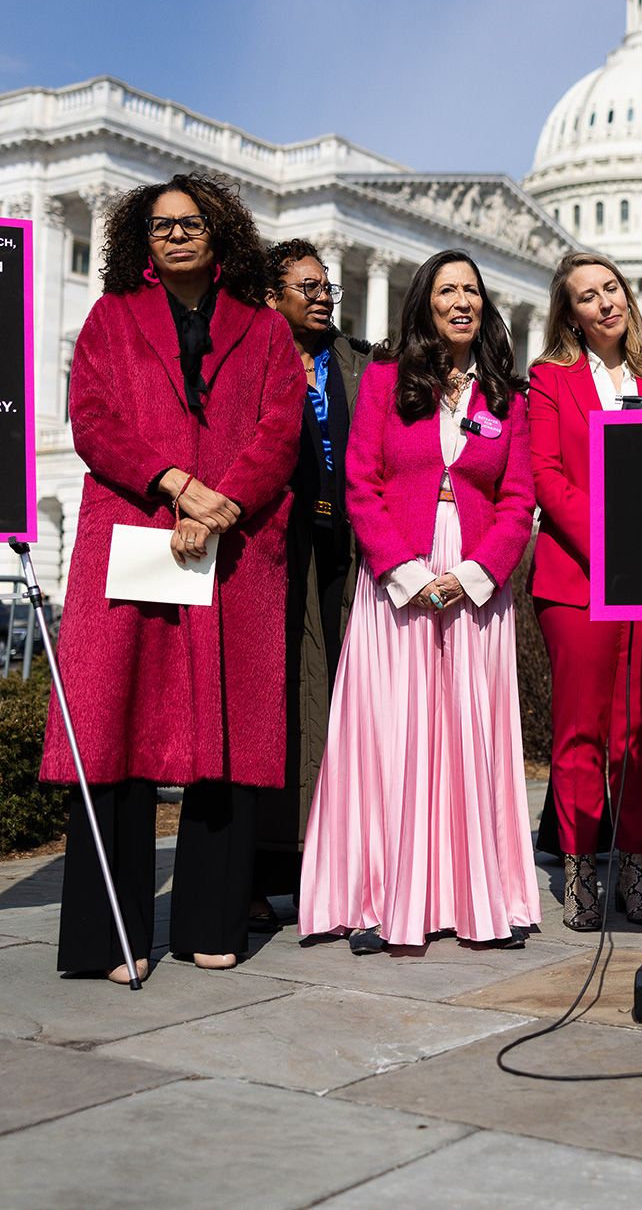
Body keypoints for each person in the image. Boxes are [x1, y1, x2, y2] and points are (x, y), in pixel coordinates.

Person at [42, 171, 304, 981]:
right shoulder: (111, 320)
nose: (178, 235)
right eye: (162, 226)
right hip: (135, 534)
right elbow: (92, 419)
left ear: (220, 232)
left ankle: (208, 922)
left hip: (230, 547)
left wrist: (222, 502)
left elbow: (280, 425)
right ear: (142, 239)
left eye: (191, 223)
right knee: (115, 731)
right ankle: (109, 937)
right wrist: (175, 483)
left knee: (222, 735)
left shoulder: (262, 331)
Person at [299, 250, 540, 952]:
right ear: (425, 302)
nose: (461, 301)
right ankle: (381, 896)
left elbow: (518, 498)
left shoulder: (506, 394)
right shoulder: (383, 376)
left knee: (471, 736)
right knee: (392, 735)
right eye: (447, 290)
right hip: (398, 576)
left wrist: (472, 574)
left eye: (471, 290)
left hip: (474, 580)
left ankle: (479, 899)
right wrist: (405, 572)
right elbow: (361, 483)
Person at [528, 250, 642, 931]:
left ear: (628, 295)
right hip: (578, 578)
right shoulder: (550, 380)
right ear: (571, 313)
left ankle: (638, 868)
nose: (604, 303)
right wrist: (611, 544)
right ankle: (582, 870)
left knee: (640, 735)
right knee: (580, 731)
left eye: (610, 288)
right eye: (586, 296)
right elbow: (548, 477)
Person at [250, 238, 373, 928]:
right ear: (273, 298)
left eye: (327, 285)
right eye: (307, 286)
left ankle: (336, 868)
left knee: (341, 705)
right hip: (275, 549)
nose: (324, 294)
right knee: (283, 704)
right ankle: (267, 868)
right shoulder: (256, 359)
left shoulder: (353, 362)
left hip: (345, 551)